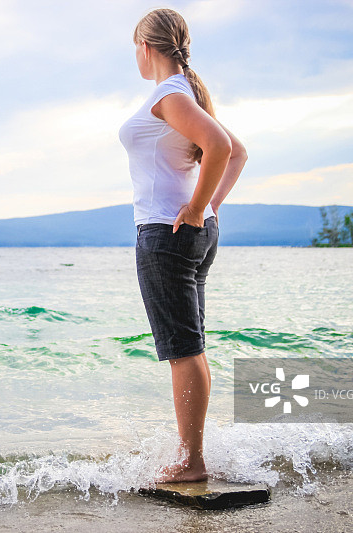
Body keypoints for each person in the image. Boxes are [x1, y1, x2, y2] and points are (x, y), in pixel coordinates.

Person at [118, 8, 247, 483]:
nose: (135, 53)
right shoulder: (184, 92)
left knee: (183, 350)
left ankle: (191, 461)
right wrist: (208, 206)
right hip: (191, 233)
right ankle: (192, 455)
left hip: (166, 234)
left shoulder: (169, 95)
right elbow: (238, 152)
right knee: (190, 347)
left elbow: (221, 147)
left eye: (135, 46)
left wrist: (196, 208)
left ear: (145, 47)